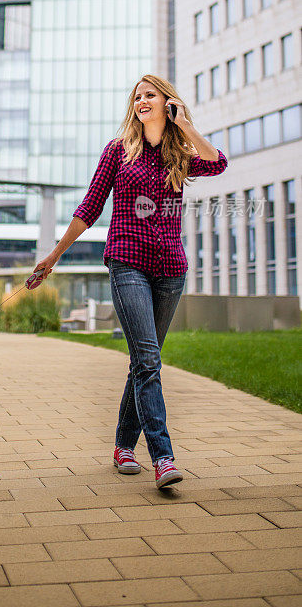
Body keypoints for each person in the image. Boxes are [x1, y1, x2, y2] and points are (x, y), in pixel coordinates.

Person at [34, 74, 228, 489]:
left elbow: (219, 162)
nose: (142, 101)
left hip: (171, 269)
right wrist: (53, 255)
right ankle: (163, 457)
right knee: (148, 360)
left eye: (150, 95)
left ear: (167, 102)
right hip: (128, 263)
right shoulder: (118, 151)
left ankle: (124, 444)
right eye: (137, 97)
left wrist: (185, 125)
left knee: (144, 361)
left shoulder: (179, 152)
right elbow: (90, 206)